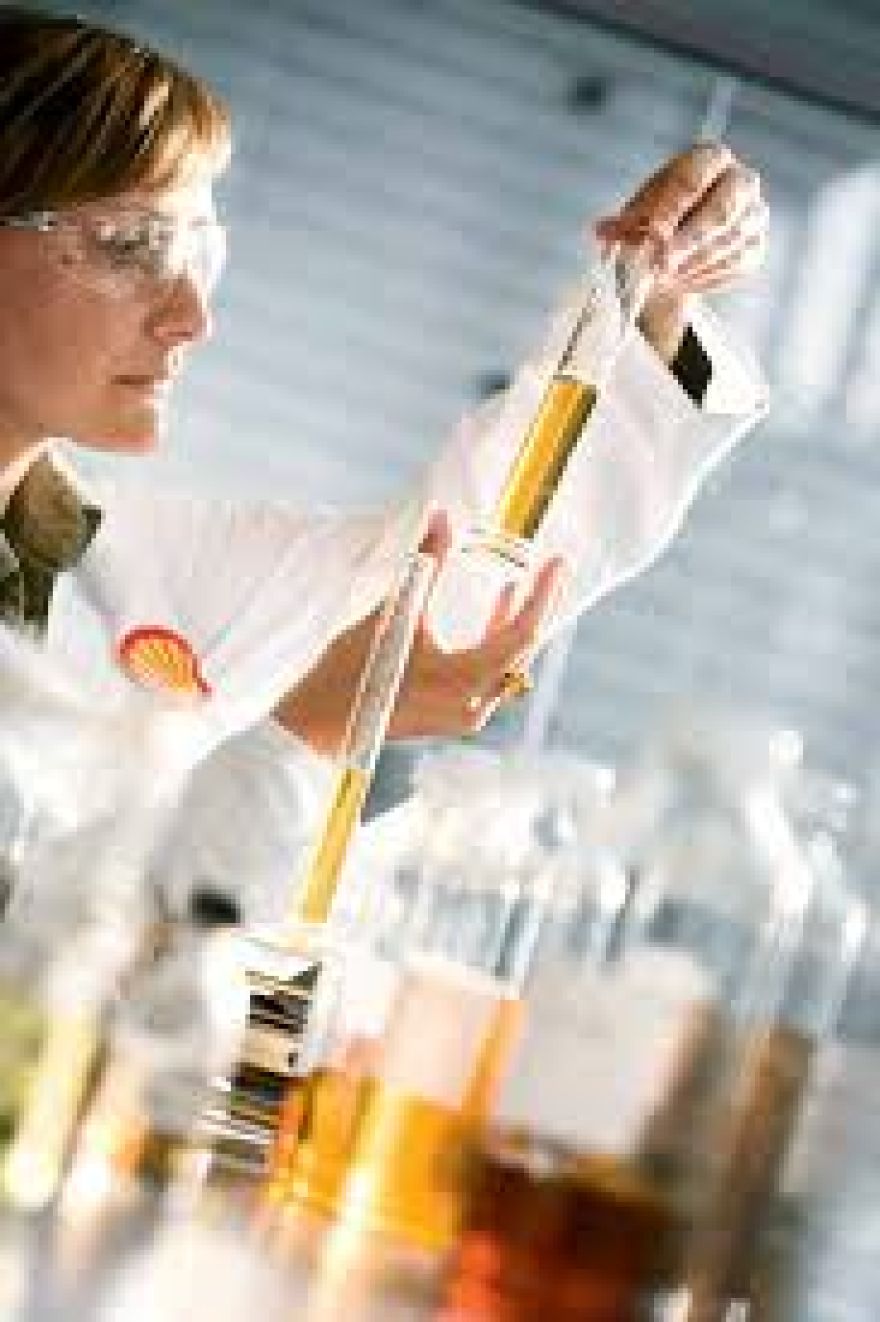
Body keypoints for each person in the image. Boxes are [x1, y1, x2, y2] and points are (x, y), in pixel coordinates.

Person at [0, 10, 768, 915]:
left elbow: (455, 584)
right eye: (131, 245)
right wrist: (305, 736)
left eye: (198, 253)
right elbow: (59, 947)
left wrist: (651, 299)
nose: (192, 318)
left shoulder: (112, 566)